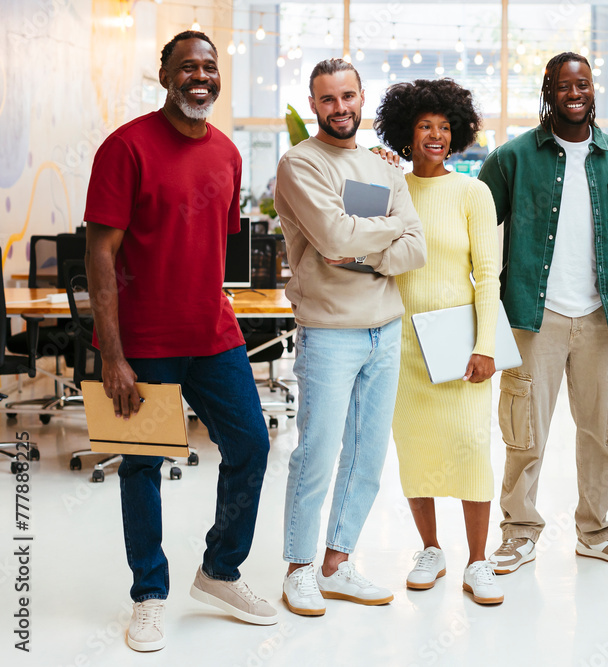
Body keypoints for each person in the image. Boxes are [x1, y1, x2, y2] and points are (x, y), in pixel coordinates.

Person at [85, 31, 276, 653]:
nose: (201, 76)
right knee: (143, 465)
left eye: (210, 67)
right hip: (143, 342)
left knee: (250, 444)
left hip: (213, 332)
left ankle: (220, 571)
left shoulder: (226, 152)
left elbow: (214, 245)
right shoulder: (126, 147)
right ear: (164, 74)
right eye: (187, 66)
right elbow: (100, 255)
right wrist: (111, 354)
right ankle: (148, 594)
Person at [478, 52, 608, 574]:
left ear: (592, 90)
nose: (575, 93)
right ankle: (518, 531)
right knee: (524, 432)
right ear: (548, 91)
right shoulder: (513, 157)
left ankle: (596, 530)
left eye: (583, 84)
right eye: (565, 85)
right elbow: (469, 219)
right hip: (533, 317)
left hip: (601, 318)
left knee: (600, 431)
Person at [274, 58, 426, 616]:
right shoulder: (299, 164)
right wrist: (380, 233)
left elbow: (417, 247)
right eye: (327, 99)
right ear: (313, 105)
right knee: (316, 453)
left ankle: (337, 565)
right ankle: (298, 569)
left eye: (348, 96)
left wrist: (360, 245)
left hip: (385, 330)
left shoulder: (383, 166)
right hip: (330, 331)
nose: (340, 108)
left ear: (362, 97)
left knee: (366, 457)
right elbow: (334, 235)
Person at [373, 78, 504, 605]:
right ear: (408, 132)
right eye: (425, 125)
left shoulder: (472, 192)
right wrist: (375, 168)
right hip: (399, 342)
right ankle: (430, 549)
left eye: (445, 127)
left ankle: (478, 560)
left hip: (459, 342)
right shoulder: (388, 188)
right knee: (416, 452)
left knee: (472, 448)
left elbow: (488, 274)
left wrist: (487, 344)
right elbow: (356, 241)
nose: (436, 135)